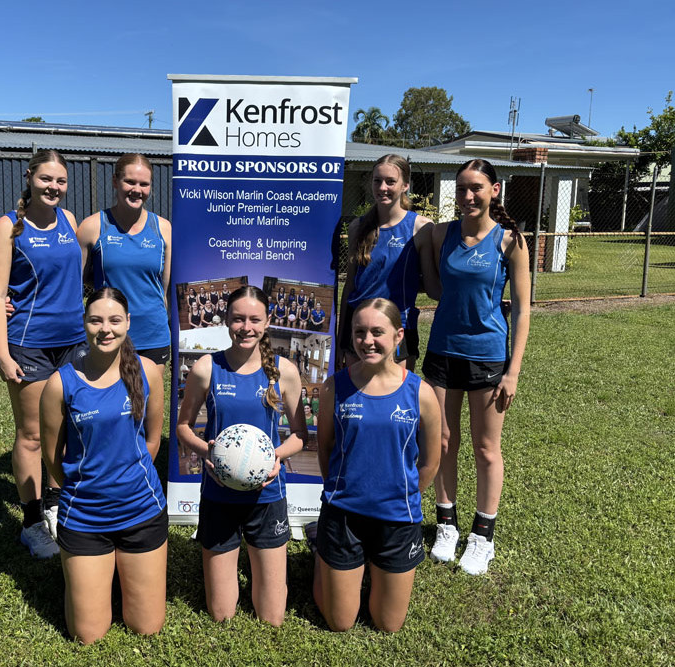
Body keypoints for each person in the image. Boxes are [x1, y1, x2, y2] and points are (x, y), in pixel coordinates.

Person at [40, 287, 167, 644]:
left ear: (128, 322)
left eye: (114, 320)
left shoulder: (148, 372)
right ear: (84, 324)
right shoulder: (60, 384)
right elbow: (52, 457)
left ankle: (112, 571)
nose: (105, 329)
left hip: (141, 510)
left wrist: (125, 481)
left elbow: (153, 441)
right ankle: (91, 572)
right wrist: (91, 488)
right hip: (85, 517)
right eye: (95, 320)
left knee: (147, 627)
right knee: (88, 635)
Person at [424, 158, 531, 575]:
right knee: (442, 441)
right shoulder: (439, 234)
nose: (468, 196)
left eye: (477, 188)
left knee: (486, 448)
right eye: (462, 188)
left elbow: (522, 310)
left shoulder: (509, 241)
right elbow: (433, 285)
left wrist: (513, 370)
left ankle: (482, 536)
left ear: (494, 191)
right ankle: (446, 524)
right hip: (441, 353)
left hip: (488, 356)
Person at [176, 285, 307, 626]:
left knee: (272, 617)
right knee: (221, 614)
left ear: (266, 323)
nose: (245, 327)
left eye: (254, 319)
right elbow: (184, 427)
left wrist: (274, 457)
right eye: (237, 319)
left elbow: (299, 435)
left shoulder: (283, 371)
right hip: (219, 494)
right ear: (227, 322)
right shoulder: (207, 368)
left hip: (266, 496)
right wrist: (208, 451)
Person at [314, 298, 441, 632]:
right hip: (343, 514)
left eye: (377, 332)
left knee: (388, 625)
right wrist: (342, 493)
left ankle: (364, 563)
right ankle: (325, 554)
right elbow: (325, 448)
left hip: (397, 519)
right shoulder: (334, 387)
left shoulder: (420, 393)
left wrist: (403, 495)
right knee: (340, 623)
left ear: (398, 336)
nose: (367, 340)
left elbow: (430, 460)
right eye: (359, 332)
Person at [0, 149, 85, 559]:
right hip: (28, 344)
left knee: (68, 430)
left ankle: (59, 506)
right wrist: (3, 355)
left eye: (60, 181)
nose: (54, 188)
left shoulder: (70, 221)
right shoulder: (8, 227)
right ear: (29, 177)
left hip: (75, 342)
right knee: (31, 434)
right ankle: (31, 523)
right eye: (46, 179)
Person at [338, 155, 439, 372]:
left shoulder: (421, 229)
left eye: (390, 181)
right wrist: (340, 338)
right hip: (358, 328)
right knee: (356, 399)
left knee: (396, 398)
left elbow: (431, 287)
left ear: (405, 185)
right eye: (377, 180)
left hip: (399, 327)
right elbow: (350, 288)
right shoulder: (358, 227)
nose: (382, 187)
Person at [79, 154, 172, 368]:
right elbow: (74, 282)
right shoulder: (92, 227)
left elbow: (165, 292)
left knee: (150, 401)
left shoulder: (164, 229)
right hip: (108, 335)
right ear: (115, 181)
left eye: (144, 184)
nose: (136, 189)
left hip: (153, 335)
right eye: (129, 181)